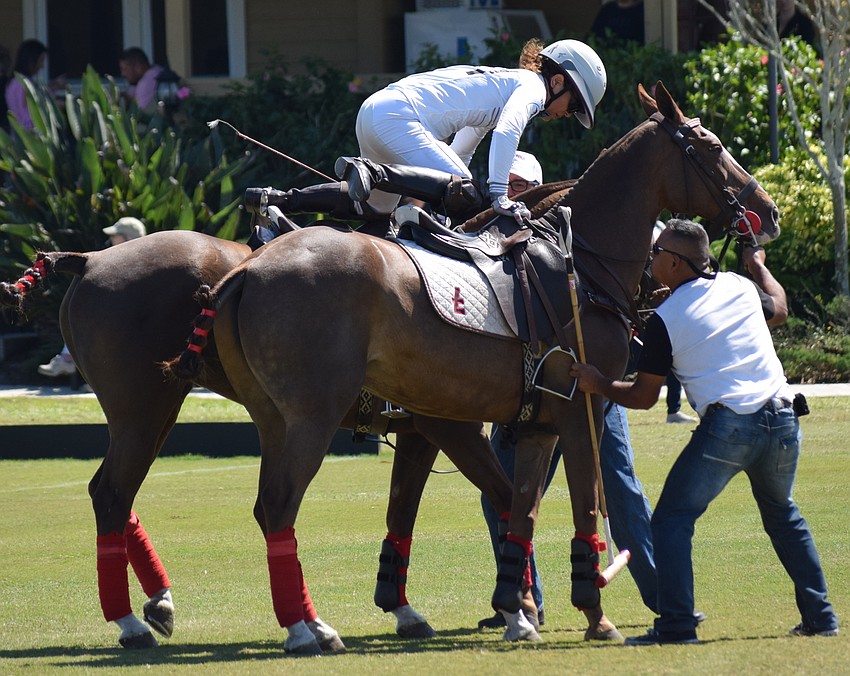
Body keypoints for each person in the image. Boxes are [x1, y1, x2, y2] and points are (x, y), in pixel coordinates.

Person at [570, 218, 839, 645]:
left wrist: (598, 382)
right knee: (784, 516)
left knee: (671, 521)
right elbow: (780, 308)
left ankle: (677, 626)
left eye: (657, 252)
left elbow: (642, 396)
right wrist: (757, 265)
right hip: (784, 420)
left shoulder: (666, 317)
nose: (651, 258)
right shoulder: (738, 285)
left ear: (676, 263)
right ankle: (821, 619)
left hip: (728, 428)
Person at [334, 38, 606, 224]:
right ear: (557, 82)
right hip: (397, 118)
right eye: (573, 105)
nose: (566, 114)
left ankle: (305, 199)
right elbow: (508, 130)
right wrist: (499, 196)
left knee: (375, 211)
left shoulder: (503, 86)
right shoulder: (533, 87)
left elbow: (461, 151)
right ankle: (378, 177)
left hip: (373, 111)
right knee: (467, 190)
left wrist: (449, 200)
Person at [38, 218, 147, 378]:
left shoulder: (139, 262)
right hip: (123, 317)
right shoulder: (125, 260)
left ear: (129, 238)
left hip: (132, 319)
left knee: (89, 318)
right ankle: (72, 362)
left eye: (115, 235)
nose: (111, 239)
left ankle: (69, 361)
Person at [4, 39, 48, 131]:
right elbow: (26, 119)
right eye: (41, 60)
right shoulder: (22, 84)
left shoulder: (16, 81)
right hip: (27, 137)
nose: (42, 66)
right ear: (31, 60)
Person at [119, 47, 164, 112]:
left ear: (138, 67)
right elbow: (130, 93)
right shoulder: (156, 70)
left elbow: (141, 115)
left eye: (125, 69)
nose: (123, 74)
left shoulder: (145, 84)